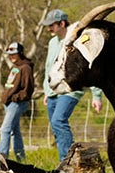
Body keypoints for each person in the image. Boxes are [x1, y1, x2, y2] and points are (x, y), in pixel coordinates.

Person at [41, 9, 103, 161]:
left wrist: (96, 96)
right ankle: (65, 159)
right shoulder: (52, 42)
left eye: (51, 25)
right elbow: (49, 66)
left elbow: (89, 66)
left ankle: (67, 161)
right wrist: (46, 91)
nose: (48, 29)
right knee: (56, 127)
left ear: (62, 23)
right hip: (53, 91)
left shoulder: (76, 39)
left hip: (70, 89)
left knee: (58, 121)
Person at [0, 42, 35, 161]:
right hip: (9, 103)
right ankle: (21, 158)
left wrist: (16, 98)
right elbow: (11, 85)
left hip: (16, 103)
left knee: (5, 130)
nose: (11, 56)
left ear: (20, 53)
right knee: (15, 131)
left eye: (14, 54)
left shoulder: (26, 68)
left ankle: (1, 157)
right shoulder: (15, 67)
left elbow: (28, 90)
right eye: (10, 54)